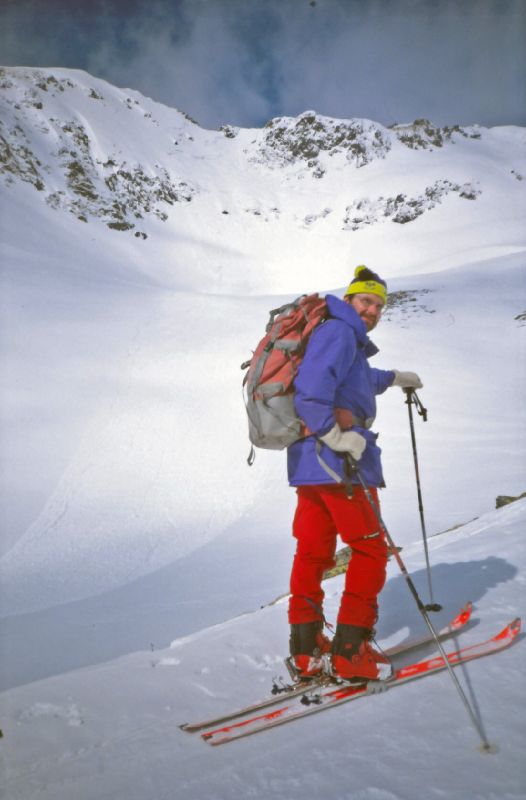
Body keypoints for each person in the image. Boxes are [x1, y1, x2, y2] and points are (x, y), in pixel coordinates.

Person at [287, 265, 422, 682]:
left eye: (379, 305)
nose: (373, 310)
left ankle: (307, 651)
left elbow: (355, 378)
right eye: (366, 301)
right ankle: (350, 652)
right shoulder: (341, 333)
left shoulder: (341, 335)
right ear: (349, 300)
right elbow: (311, 388)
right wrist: (338, 438)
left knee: (312, 551)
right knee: (369, 550)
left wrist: (395, 378)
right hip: (337, 462)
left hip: (310, 465)